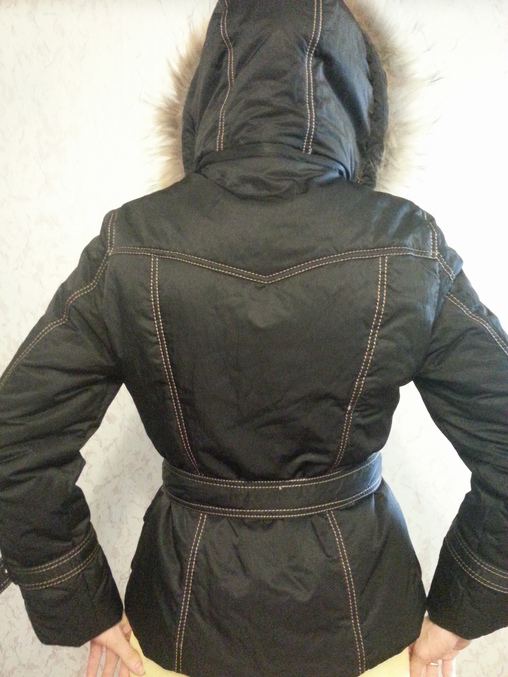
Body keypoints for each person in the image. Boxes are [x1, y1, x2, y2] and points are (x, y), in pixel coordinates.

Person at [0, 1, 507, 676]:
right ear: (360, 93)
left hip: (181, 620)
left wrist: (78, 599)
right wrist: (463, 609)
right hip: (365, 623)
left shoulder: (133, 244)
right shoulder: (407, 247)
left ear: (208, 86)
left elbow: (16, 443)